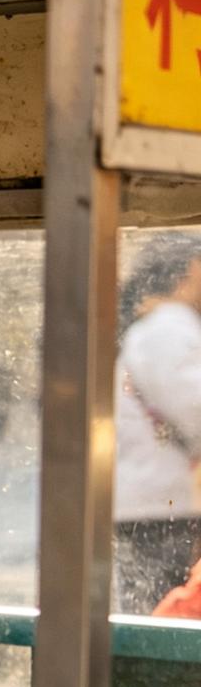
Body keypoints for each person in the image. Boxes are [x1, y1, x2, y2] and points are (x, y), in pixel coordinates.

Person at [114, 235, 201, 614]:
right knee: (167, 624)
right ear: (189, 270)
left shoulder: (152, 329)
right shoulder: (170, 328)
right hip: (167, 508)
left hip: (149, 503)